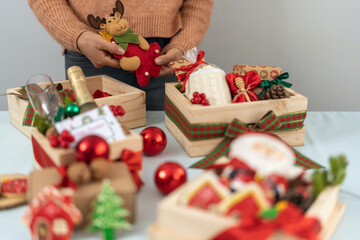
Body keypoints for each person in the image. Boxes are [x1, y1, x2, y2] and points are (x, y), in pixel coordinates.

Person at [28, 0, 214, 110]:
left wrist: (183, 44)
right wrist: (77, 36)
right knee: (94, 142)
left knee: (170, 143)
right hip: (90, 52)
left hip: (165, 56)